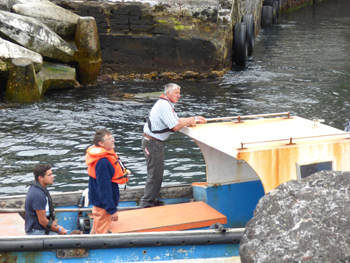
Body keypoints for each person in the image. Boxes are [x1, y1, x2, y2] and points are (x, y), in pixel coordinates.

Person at [141, 83, 206, 208]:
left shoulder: (167, 104)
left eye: (179, 93)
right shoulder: (164, 105)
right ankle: (147, 204)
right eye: (176, 93)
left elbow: (176, 121)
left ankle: (152, 200)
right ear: (168, 93)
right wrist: (189, 120)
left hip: (155, 142)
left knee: (157, 173)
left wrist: (194, 118)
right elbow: (175, 126)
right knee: (154, 173)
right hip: (152, 143)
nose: (179, 96)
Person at [86, 128, 130, 234]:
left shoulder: (102, 157)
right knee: (101, 235)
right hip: (103, 206)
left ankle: (89, 242)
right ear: (100, 143)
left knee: (96, 229)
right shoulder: (103, 162)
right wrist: (111, 209)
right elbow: (104, 188)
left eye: (112, 137)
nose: (113, 140)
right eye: (109, 138)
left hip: (100, 204)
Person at [25, 164, 68, 235]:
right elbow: (42, 221)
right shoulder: (38, 195)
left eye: (52, 174)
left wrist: (57, 226)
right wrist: (59, 231)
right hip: (37, 231)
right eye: (49, 175)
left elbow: (47, 217)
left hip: (40, 228)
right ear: (40, 178)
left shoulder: (39, 188)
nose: (52, 176)